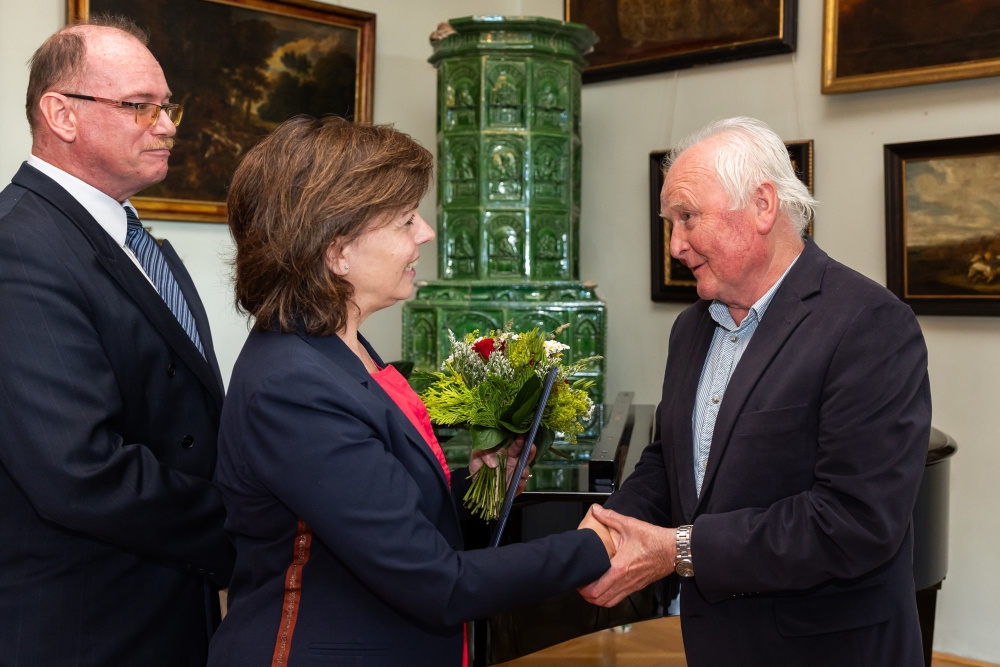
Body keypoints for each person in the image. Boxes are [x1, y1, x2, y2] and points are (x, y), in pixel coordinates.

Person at [207, 115, 614, 667]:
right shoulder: (293, 387)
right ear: (337, 251)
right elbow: (437, 583)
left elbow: (383, 509)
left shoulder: (338, 346)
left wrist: (480, 485)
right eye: (404, 220)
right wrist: (595, 547)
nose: (425, 233)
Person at [580, 117, 931, 666]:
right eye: (670, 224)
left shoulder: (869, 324)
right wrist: (608, 527)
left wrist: (679, 551)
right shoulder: (691, 327)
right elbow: (670, 461)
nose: (675, 245)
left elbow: (855, 521)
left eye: (688, 217)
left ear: (763, 205)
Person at [0, 17, 233, 666]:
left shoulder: (136, 240)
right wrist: (248, 524)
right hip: (84, 628)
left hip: (167, 610)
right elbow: (79, 469)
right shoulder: (17, 245)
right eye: (140, 106)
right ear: (62, 115)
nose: (168, 125)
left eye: (168, 106)